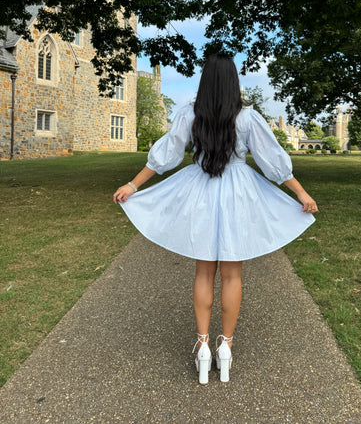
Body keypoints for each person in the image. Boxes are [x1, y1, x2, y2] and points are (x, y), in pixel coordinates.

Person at [113, 55, 318, 385]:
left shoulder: (191, 114)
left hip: (201, 193)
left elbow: (166, 155)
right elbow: (273, 163)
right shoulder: (248, 118)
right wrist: (302, 194)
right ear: (234, 81)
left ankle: (203, 345)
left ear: (205, 81)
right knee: (233, 273)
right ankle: (227, 347)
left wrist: (133, 184)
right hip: (239, 194)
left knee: (204, 270)